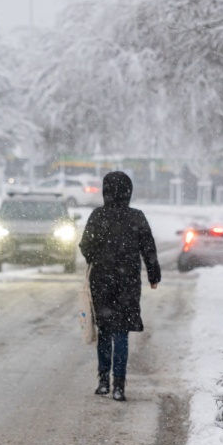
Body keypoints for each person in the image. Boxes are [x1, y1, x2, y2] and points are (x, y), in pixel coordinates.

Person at [78, 171, 161, 401]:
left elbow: (85, 246)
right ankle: (119, 385)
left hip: (102, 281)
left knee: (104, 330)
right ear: (128, 192)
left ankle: (103, 380)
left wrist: (97, 256)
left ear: (105, 191)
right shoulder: (137, 217)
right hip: (128, 283)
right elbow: (149, 249)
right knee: (121, 333)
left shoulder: (98, 215)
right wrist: (154, 276)